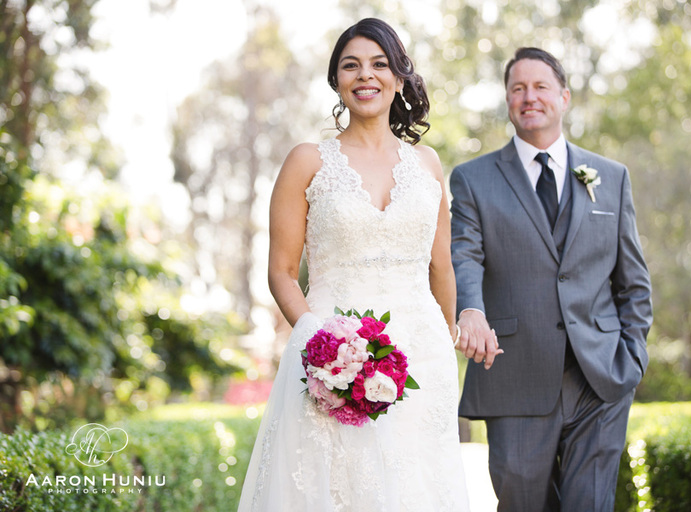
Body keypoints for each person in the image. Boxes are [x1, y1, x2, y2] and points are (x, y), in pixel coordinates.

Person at [238, 18, 470, 512]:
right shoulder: (307, 161)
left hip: (423, 359)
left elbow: (442, 268)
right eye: (351, 65)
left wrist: (445, 344)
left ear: (399, 78)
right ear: (337, 81)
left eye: (379, 64)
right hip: (330, 356)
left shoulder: (428, 164)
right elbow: (281, 272)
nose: (366, 75)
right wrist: (323, 346)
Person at [450, 47, 652, 511]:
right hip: (513, 373)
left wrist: (632, 357)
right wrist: (471, 309)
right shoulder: (473, 179)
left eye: (540, 86)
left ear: (564, 97)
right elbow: (465, 255)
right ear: (507, 99)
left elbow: (633, 282)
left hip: (601, 377)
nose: (529, 97)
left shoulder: (611, 177)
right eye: (518, 88)